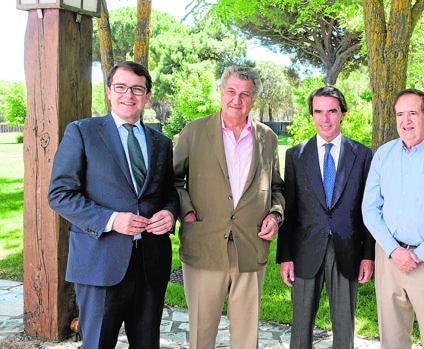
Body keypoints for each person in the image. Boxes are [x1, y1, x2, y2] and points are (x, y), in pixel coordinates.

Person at [48, 61, 179, 349]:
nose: (128, 95)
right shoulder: (82, 132)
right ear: (109, 91)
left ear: (147, 95)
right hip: (100, 262)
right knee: (98, 344)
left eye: (136, 89)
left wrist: (170, 213)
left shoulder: (160, 142)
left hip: (150, 263)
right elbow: (60, 194)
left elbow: (168, 192)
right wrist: (111, 220)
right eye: (120, 87)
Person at [173, 65, 285, 349]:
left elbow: (276, 189)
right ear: (221, 91)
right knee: (202, 331)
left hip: (251, 246)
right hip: (204, 245)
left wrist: (275, 214)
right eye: (231, 91)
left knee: (247, 337)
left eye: (245, 94)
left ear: (254, 98)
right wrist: (185, 210)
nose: (237, 100)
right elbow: (173, 180)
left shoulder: (268, 139)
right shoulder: (194, 132)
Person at [362, 88, 424, 349]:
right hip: (390, 258)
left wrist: (421, 253)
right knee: (392, 339)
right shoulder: (383, 155)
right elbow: (370, 209)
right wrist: (394, 251)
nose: (405, 121)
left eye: (413, 113)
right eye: (399, 114)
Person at [276, 86, 375, 348]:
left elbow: (369, 209)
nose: (325, 118)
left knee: (344, 324)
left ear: (342, 113)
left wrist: (368, 255)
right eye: (318, 111)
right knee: (301, 325)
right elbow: (291, 209)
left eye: (332, 111)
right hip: (305, 250)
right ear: (312, 115)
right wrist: (285, 256)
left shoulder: (362, 155)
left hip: (348, 249)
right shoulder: (295, 155)